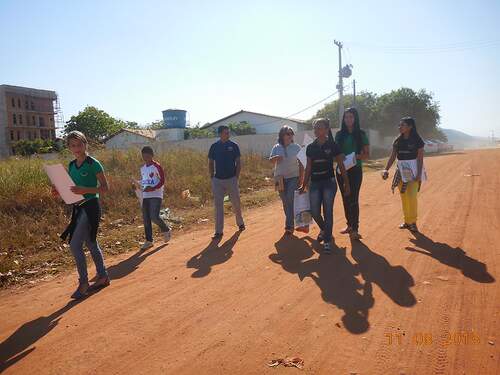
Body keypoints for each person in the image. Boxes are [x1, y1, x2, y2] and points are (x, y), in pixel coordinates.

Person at [54, 131, 110, 300]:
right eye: (72, 145)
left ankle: (84, 283)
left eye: (79, 145)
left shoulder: (94, 164)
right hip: (78, 208)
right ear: (69, 147)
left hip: (91, 207)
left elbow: (105, 188)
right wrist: (58, 190)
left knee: (75, 245)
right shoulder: (71, 165)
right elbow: (72, 187)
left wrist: (85, 190)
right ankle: (103, 276)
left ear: (85, 144)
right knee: (91, 243)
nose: (76, 148)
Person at [299, 118, 350, 253]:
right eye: (315, 128)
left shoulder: (333, 145)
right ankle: (325, 229)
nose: (317, 130)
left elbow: (341, 165)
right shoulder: (310, 147)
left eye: (320, 127)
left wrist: (346, 183)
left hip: (329, 182)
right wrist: (304, 184)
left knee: (328, 211)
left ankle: (327, 240)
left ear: (327, 129)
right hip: (315, 183)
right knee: (315, 212)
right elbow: (308, 167)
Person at [382, 116, 425, 233]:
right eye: (399, 125)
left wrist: (419, 174)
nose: (399, 127)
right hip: (401, 171)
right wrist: (386, 169)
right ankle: (407, 221)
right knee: (404, 196)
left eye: (403, 125)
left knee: (412, 196)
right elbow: (392, 157)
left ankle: (413, 222)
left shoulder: (417, 140)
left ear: (410, 127)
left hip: (414, 170)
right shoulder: (398, 141)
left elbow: (420, 159)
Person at [335, 108, 370, 240]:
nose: (348, 119)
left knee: (353, 198)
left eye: (351, 117)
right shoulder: (339, 135)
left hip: (355, 170)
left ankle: (355, 228)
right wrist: (339, 155)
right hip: (341, 170)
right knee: (345, 198)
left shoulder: (361, 134)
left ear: (355, 119)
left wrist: (356, 156)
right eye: (346, 117)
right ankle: (349, 225)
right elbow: (335, 153)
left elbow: (367, 155)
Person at [208, 125, 245, 239]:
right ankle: (218, 231)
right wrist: (212, 177)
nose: (228, 134)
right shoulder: (214, 147)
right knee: (218, 206)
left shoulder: (234, 146)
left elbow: (238, 162)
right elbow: (210, 162)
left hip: (231, 179)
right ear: (220, 134)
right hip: (218, 180)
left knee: (236, 203)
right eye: (225, 133)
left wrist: (236, 177)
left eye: (228, 133)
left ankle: (240, 223)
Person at [269, 126, 304, 235]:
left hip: (293, 177)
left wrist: (301, 179)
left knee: (290, 198)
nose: (290, 136)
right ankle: (293, 223)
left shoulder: (296, 147)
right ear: (282, 135)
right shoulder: (276, 147)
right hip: (279, 178)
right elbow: (270, 160)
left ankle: (289, 225)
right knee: (285, 202)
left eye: (291, 133)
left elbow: (302, 164)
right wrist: (275, 158)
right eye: (287, 134)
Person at [135, 146, 171, 251]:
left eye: (147, 155)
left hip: (156, 195)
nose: (145, 157)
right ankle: (149, 241)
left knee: (154, 216)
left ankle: (166, 230)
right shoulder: (142, 168)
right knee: (146, 219)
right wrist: (137, 184)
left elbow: (162, 180)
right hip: (145, 196)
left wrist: (153, 188)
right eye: (143, 155)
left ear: (152, 155)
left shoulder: (156, 166)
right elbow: (144, 181)